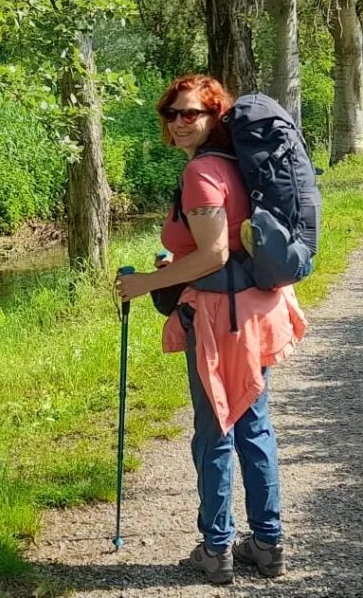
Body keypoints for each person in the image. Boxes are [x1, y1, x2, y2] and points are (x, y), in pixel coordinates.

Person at [115, 74, 306, 585]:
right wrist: (173, 263)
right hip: (256, 307)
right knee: (254, 425)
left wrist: (147, 283)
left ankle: (217, 548)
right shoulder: (237, 166)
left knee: (216, 431)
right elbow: (228, 246)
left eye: (192, 113)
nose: (179, 122)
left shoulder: (202, 172)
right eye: (172, 113)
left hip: (222, 317)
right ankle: (268, 546)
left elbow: (213, 254)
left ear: (215, 116)